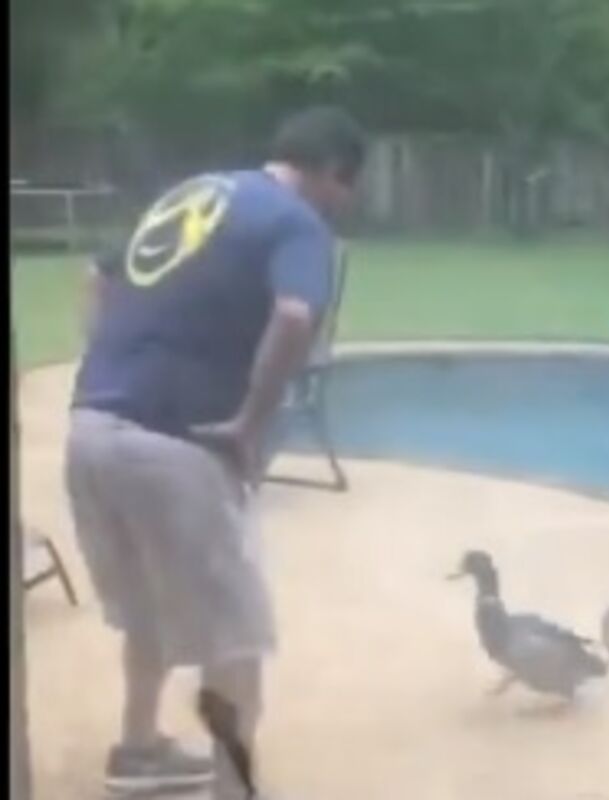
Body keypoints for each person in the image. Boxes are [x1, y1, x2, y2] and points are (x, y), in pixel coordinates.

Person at [66, 106, 366, 799]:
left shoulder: (195, 193)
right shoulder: (296, 222)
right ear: (332, 172)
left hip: (92, 429)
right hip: (177, 448)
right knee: (234, 640)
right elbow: (295, 314)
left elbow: (98, 275)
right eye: (346, 189)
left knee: (146, 611)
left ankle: (138, 749)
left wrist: (112, 364)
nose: (343, 204)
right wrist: (249, 423)